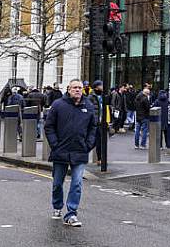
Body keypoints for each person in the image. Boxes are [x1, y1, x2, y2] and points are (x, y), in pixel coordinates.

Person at [44, 79, 97, 227]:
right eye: (74, 87)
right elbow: (49, 126)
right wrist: (55, 145)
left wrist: (88, 145)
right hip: (61, 151)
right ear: (68, 89)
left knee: (77, 183)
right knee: (57, 183)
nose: (77, 90)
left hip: (79, 151)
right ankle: (57, 206)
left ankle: (71, 213)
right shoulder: (58, 105)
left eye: (80, 88)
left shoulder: (89, 106)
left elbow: (93, 127)